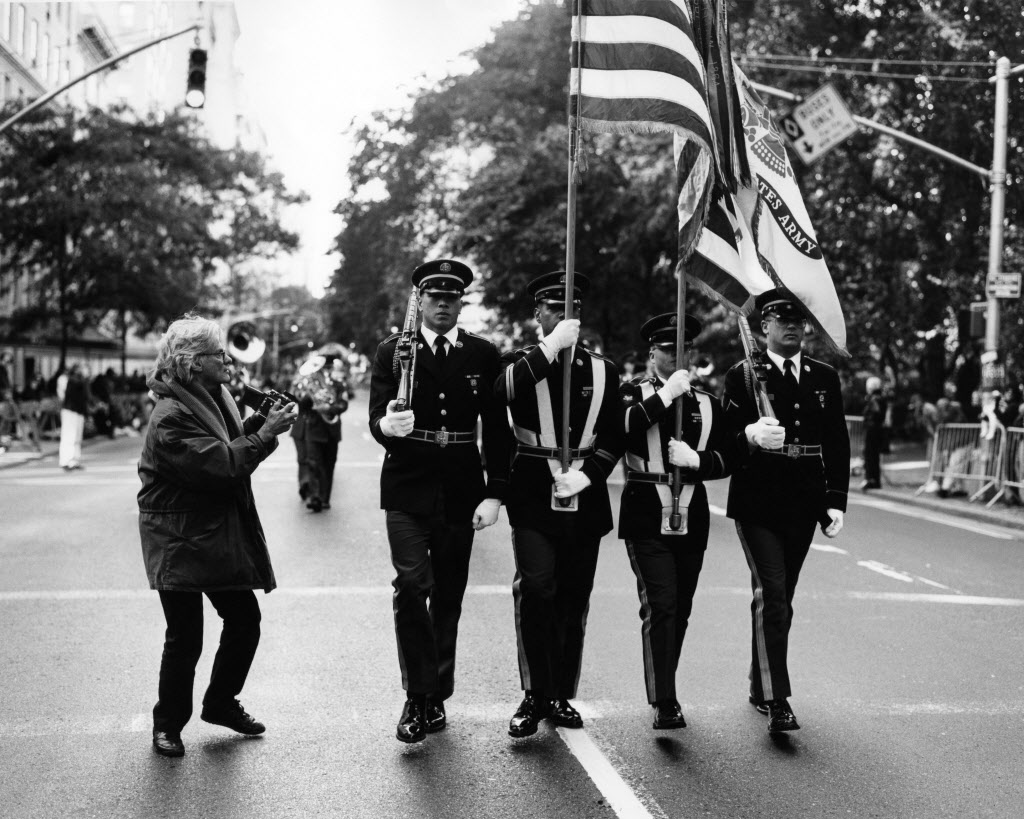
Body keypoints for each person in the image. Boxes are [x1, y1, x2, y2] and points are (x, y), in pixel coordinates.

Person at [137, 314, 297, 758]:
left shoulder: (215, 394)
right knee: (185, 637)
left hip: (210, 532)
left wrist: (260, 423)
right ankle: (166, 725)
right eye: (216, 353)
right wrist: (264, 436)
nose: (226, 358)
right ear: (191, 362)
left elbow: (227, 446)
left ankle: (220, 702)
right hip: (178, 538)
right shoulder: (170, 416)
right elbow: (221, 466)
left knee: (245, 621)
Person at [368, 259, 511, 744]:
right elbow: (375, 416)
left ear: (460, 303)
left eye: (452, 298)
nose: (444, 305)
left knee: (448, 594)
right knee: (412, 586)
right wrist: (386, 426)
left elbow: (495, 429)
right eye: (435, 297)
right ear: (421, 302)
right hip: (407, 484)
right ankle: (416, 695)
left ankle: (436, 696)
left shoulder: (482, 354)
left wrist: (495, 493)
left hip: (461, 485)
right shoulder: (394, 351)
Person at [494, 271, 624, 738]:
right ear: (539, 315)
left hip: (583, 497)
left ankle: (561, 693)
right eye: (554, 308)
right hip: (532, 492)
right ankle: (534, 693)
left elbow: (615, 434)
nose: (565, 314)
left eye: (572, 308)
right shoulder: (522, 361)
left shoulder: (605, 370)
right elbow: (501, 392)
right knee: (536, 588)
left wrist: (589, 475)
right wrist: (550, 349)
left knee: (573, 597)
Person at [721, 289, 850, 734]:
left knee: (782, 599)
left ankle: (760, 685)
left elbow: (836, 441)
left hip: (804, 499)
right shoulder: (742, 375)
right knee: (772, 594)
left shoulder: (823, 375)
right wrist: (751, 435)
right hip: (757, 500)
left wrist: (836, 500)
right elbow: (724, 442)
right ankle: (777, 700)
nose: (791, 325)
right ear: (764, 328)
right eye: (780, 318)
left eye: (797, 319)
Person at [619, 312, 734, 730]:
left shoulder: (706, 401)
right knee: (661, 604)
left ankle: (665, 683)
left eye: (684, 348)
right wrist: (665, 396)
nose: (677, 355)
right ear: (652, 353)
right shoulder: (631, 393)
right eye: (669, 349)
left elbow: (728, 457)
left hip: (692, 511)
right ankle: (664, 699)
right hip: (645, 507)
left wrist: (698, 461)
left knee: (680, 608)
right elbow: (624, 432)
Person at [291, 356, 349, 512]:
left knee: (329, 465)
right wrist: (310, 395)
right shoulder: (309, 385)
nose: (325, 371)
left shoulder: (338, 386)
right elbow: (301, 403)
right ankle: (314, 497)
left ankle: (324, 498)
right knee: (313, 463)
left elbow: (343, 404)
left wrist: (329, 409)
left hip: (331, 430)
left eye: (327, 368)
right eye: (324, 369)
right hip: (313, 428)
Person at [58, 363, 91, 471]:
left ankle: (74, 460)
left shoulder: (81, 381)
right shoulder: (73, 380)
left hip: (78, 412)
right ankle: (65, 461)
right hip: (70, 411)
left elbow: (86, 396)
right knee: (69, 436)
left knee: (77, 437)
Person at [860, 376, 888, 490]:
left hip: (872, 430)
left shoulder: (875, 398)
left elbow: (876, 412)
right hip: (876, 429)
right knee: (873, 455)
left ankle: (871, 479)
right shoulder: (880, 397)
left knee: (870, 455)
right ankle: (874, 479)